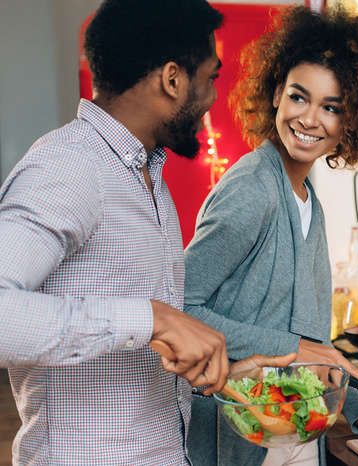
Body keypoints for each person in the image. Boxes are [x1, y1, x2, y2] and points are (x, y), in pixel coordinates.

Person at [0, 0, 289, 464]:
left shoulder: (144, 172)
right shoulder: (70, 168)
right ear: (173, 79)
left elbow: (136, 362)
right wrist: (152, 318)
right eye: (211, 77)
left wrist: (228, 373)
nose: (215, 96)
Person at [183, 5, 358, 465]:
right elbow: (179, 307)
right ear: (276, 93)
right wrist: (294, 349)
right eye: (299, 97)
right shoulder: (253, 190)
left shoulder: (307, 197)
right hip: (242, 435)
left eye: (330, 107)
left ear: (349, 121)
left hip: (294, 434)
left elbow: (312, 350)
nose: (310, 119)